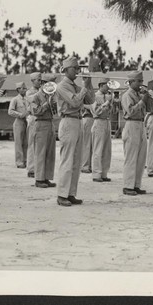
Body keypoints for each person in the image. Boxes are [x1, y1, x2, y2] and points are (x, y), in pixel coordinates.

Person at [55, 58, 95, 206]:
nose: (78, 71)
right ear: (66, 70)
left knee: (76, 161)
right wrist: (84, 87)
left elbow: (90, 101)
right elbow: (76, 102)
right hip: (68, 122)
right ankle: (61, 195)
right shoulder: (61, 86)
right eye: (75, 68)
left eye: (78, 68)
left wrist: (89, 83)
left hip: (78, 121)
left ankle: (71, 193)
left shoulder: (75, 86)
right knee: (67, 160)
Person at [121, 71, 149, 195]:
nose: (141, 84)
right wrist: (142, 101)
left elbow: (149, 109)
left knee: (141, 158)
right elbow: (131, 111)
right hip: (131, 124)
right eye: (139, 81)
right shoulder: (127, 95)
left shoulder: (139, 94)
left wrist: (148, 98)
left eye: (142, 81)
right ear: (131, 82)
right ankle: (128, 185)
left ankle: (136, 184)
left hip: (141, 124)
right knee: (131, 157)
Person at [30, 73, 57, 188]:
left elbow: (55, 112)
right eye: (48, 83)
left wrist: (53, 103)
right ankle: (39, 179)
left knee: (50, 153)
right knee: (40, 152)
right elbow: (35, 111)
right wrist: (47, 104)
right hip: (40, 124)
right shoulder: (35, 96)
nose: (51, 86)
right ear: (42, 84)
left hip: (50, 123)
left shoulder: (51, 95)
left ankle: (46, 177)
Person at [91, 78, 113, 182]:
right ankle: (96, 174)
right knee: (98, 149)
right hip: (99, 122)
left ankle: (104, 173)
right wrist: (105, 104)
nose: (108, 87)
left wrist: (111, 103)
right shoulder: (95, 96)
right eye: (106, 85)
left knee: (107, 150)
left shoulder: (108, 95)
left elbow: (112, 111)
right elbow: (95, 112)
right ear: (101, 85)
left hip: (107, 121)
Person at [8, 81, 29, 168]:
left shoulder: (28, 99)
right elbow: (10, 111)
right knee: (19, 143)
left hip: (27, 122)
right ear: (18, 90)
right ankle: (19, 162)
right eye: (22, 88)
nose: (24, 90)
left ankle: (25, 160)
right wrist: (20, 115)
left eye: (25, 88)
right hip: (19, 122)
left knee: (26, 142)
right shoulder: (15, 99)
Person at [26, 72, 41, 178]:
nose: (40, 82)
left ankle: (38, 168)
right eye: (38, 80)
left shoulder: (41, 91)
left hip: (40, 118)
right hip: (33, 118)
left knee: (39, 145)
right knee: (32, 144)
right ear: (32, 81)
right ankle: (31, 168)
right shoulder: (29, 92)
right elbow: (33, 101)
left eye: (41, 80)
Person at [80, 106, 94, 173]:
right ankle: (85, 166)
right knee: (87, 143)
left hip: (95, 118)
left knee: (92, 144)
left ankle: (90, 165)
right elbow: (83, 104)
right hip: (89, 117)